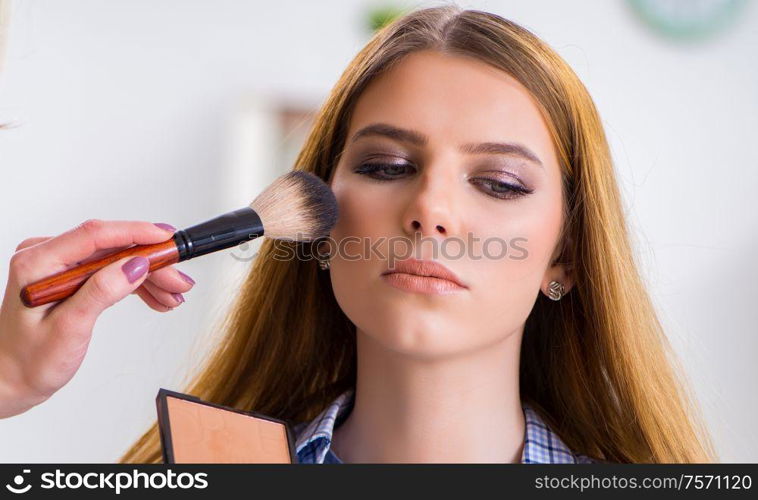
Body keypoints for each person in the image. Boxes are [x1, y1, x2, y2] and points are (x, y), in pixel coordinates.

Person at [0, 5, 716, 463]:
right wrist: (8, 384)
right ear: (316, 224)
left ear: (565, 258)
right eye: (386, 165)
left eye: (499, 183)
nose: (430, 209)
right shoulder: (190, 471)